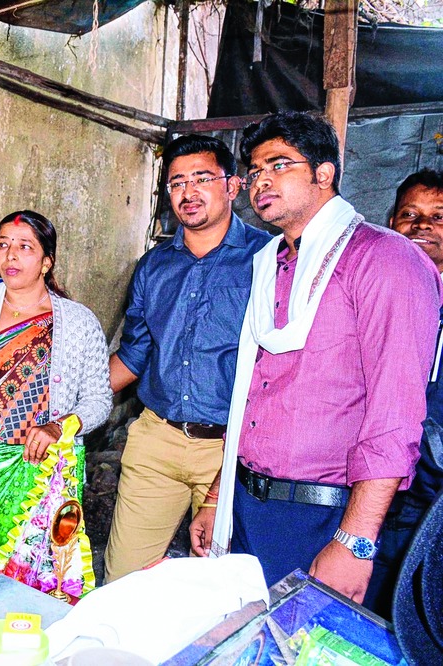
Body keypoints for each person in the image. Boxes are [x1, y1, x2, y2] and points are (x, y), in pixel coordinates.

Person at [191, 112, 442, 606]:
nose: (262, 181)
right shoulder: (271, 263)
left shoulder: (384, 259)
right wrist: (219, 497)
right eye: (255, 171)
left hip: (326, 517)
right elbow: (252, 398)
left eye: (279, 165)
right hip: (249, 506)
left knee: (305, 641)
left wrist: (355, 540)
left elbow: (395, 415)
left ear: (323, 173)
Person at [103, 135, 271, 583]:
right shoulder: (154, 266)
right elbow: (134, 354)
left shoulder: (267, 260)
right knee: (122, 583)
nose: (188, 192)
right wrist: (66, 408)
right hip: (157, 439)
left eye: (201, 178)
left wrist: (221, 484)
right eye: (177, 183)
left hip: (232, 447)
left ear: (232, 185)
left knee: (222, 590)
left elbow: (278, 372)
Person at [0, 210, 112, 590]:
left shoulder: (78, 323)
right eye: (3, 245)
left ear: (46, 261)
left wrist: (58, 427)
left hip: (46, 475)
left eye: (25, 247)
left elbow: (98, 400)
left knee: (43, 580)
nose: (11, 255)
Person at [366, 169, 443, 615]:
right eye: (409, 214)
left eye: (438, 216)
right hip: (368, 486)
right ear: (391, 222)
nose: (422, 225)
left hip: (433, 500)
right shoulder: (370, 291)